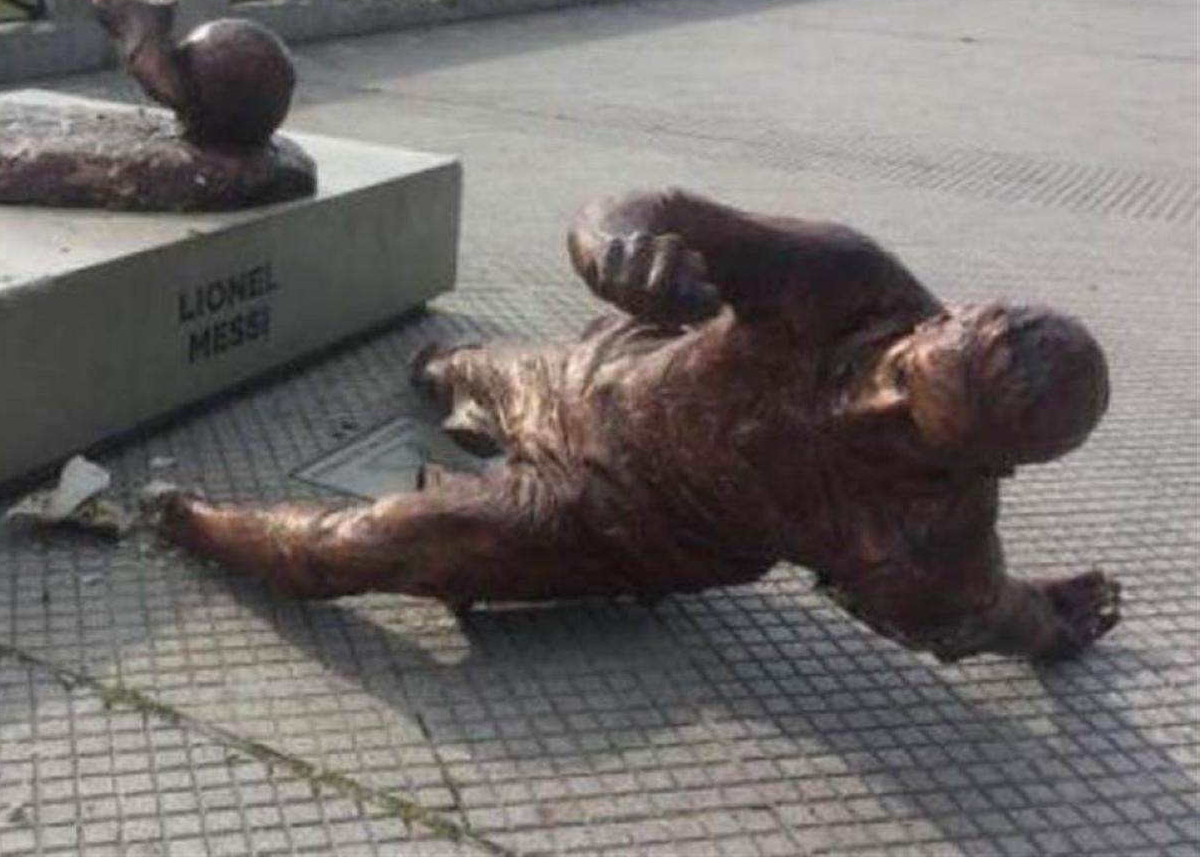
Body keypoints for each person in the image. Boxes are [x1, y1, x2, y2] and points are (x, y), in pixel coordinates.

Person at [152, 189, 1121, 664]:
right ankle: (468, 383)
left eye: (913, 417)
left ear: (986, 461)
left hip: (612, 524)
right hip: (594, 375)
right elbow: (649, 206)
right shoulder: (851, 282)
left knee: (378, 544)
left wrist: (1046, 619)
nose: (874, 393)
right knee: (439, 370)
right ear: (944, 319)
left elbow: (984, 614)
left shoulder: (929, 542)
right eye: (906, 360)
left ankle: (188, 519)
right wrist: (611, 249)